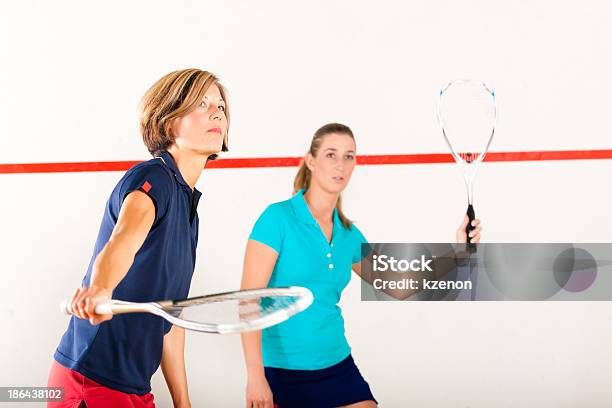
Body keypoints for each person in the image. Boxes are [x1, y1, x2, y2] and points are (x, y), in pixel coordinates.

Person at [241, 123, 481, 408]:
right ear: (311, 161)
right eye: (331, 154)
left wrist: (456, 253)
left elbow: (397, 283)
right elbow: (248, 302)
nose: (340, 164)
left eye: (349, 156)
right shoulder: (277, 218)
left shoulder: (348, 234)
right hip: (282, 371)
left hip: (336, 363)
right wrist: (256, 377)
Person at [48, 68, 230, 408]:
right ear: (168, 120)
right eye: (201, 103)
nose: (217, 111)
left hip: (135, 388)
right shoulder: (153, 179)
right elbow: (123, 239)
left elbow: (170, 320)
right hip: (91, 380)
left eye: (220, 105)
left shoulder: (189, 208)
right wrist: (100, 287)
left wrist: (183, 403)